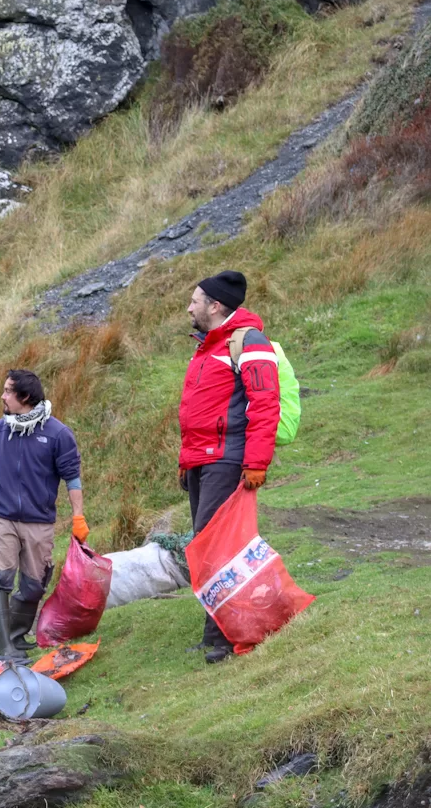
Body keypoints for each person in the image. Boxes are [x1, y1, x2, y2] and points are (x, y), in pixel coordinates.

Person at [179, 270, 280, 664]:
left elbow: (265, 403)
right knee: (207, 546)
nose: (189, 307)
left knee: (216, 547)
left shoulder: (248, 341)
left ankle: (226, 638)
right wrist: (185, 461)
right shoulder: (206, 347)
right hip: (201, 460)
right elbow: (198, 411)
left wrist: (255, 463)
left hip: (227, 459)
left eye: (194, 300)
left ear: (215, 305)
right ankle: (215, 633)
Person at [0, 370, 87, 659]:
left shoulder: (58, 434)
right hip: (1, 517)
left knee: (34, 584)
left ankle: (17, 636)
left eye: (7, 391)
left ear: (25, 397)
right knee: (0, 578)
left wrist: (78, 517)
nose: (2, 396)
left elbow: (72, 478)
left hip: (39, 521)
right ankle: (4, 647)